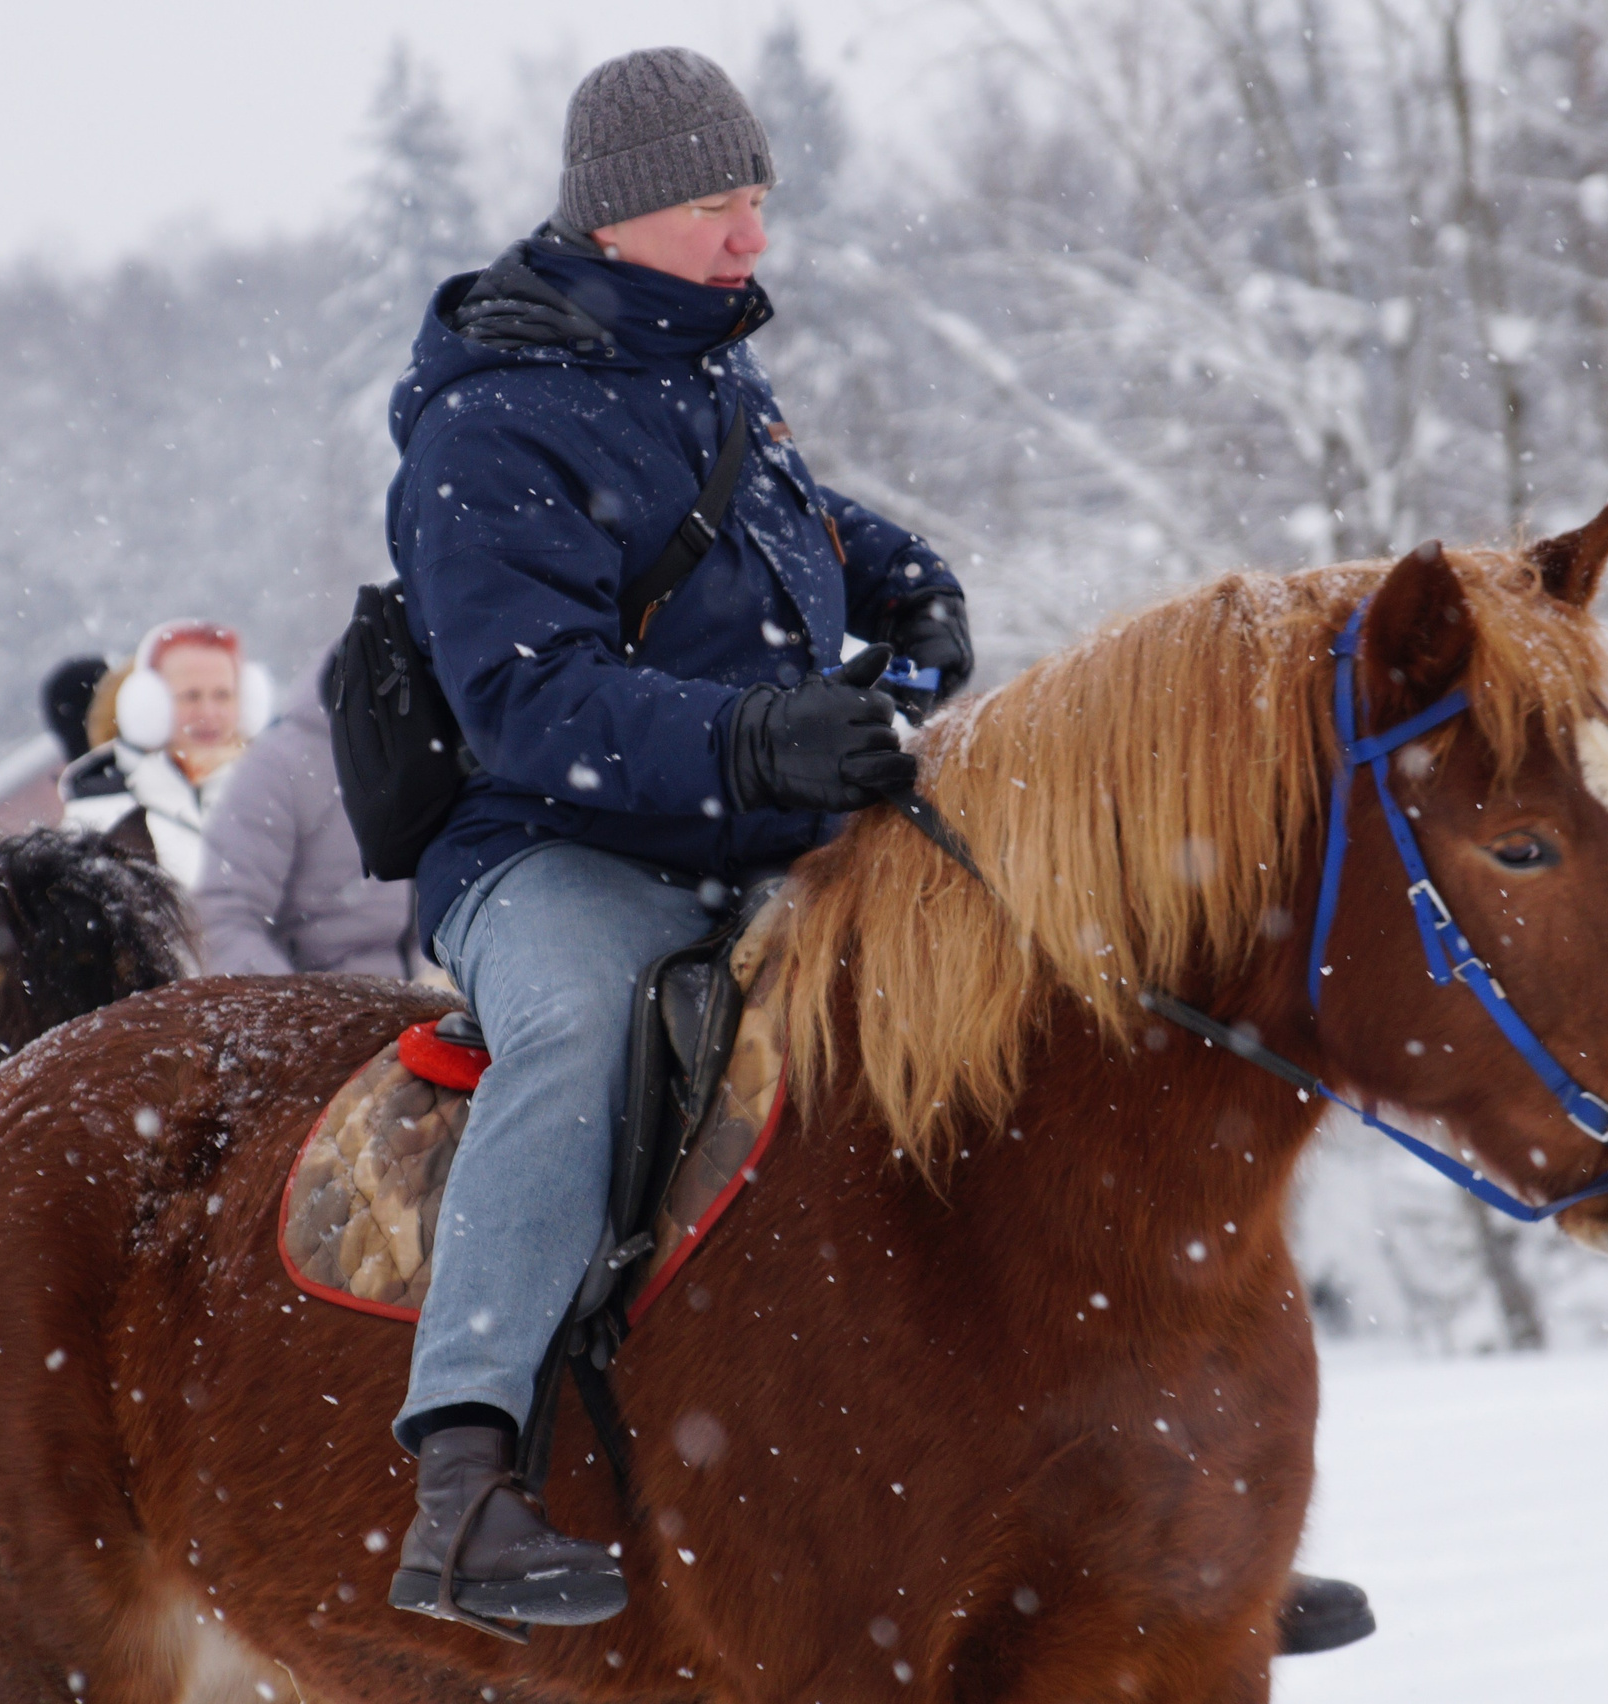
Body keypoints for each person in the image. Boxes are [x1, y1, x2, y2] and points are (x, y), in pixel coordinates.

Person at [378, 48, 972, 1630]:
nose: (751, 236)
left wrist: (908, 579)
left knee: (989, 966)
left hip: (754, 831)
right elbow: (525, 700)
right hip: (548, 850)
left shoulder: (703, 372)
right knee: (582, 1025)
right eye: (719, 204)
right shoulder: (489, 426)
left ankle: (1102, 1482)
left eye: (759, 198)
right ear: (620, 213)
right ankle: (465, 1478)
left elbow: (793, 521)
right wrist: (754, 735)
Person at [193, 660, 416, 978]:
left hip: (429, 997)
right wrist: (295, 1002)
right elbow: (222, 919)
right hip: (314, 995)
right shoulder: (279, 767)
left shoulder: (443, 753)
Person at [60, 620, 267, 888]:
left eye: (223, 695)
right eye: (191, 696)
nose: (209, 713)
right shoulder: (100, 814)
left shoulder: (277, 801)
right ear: (149, 703)